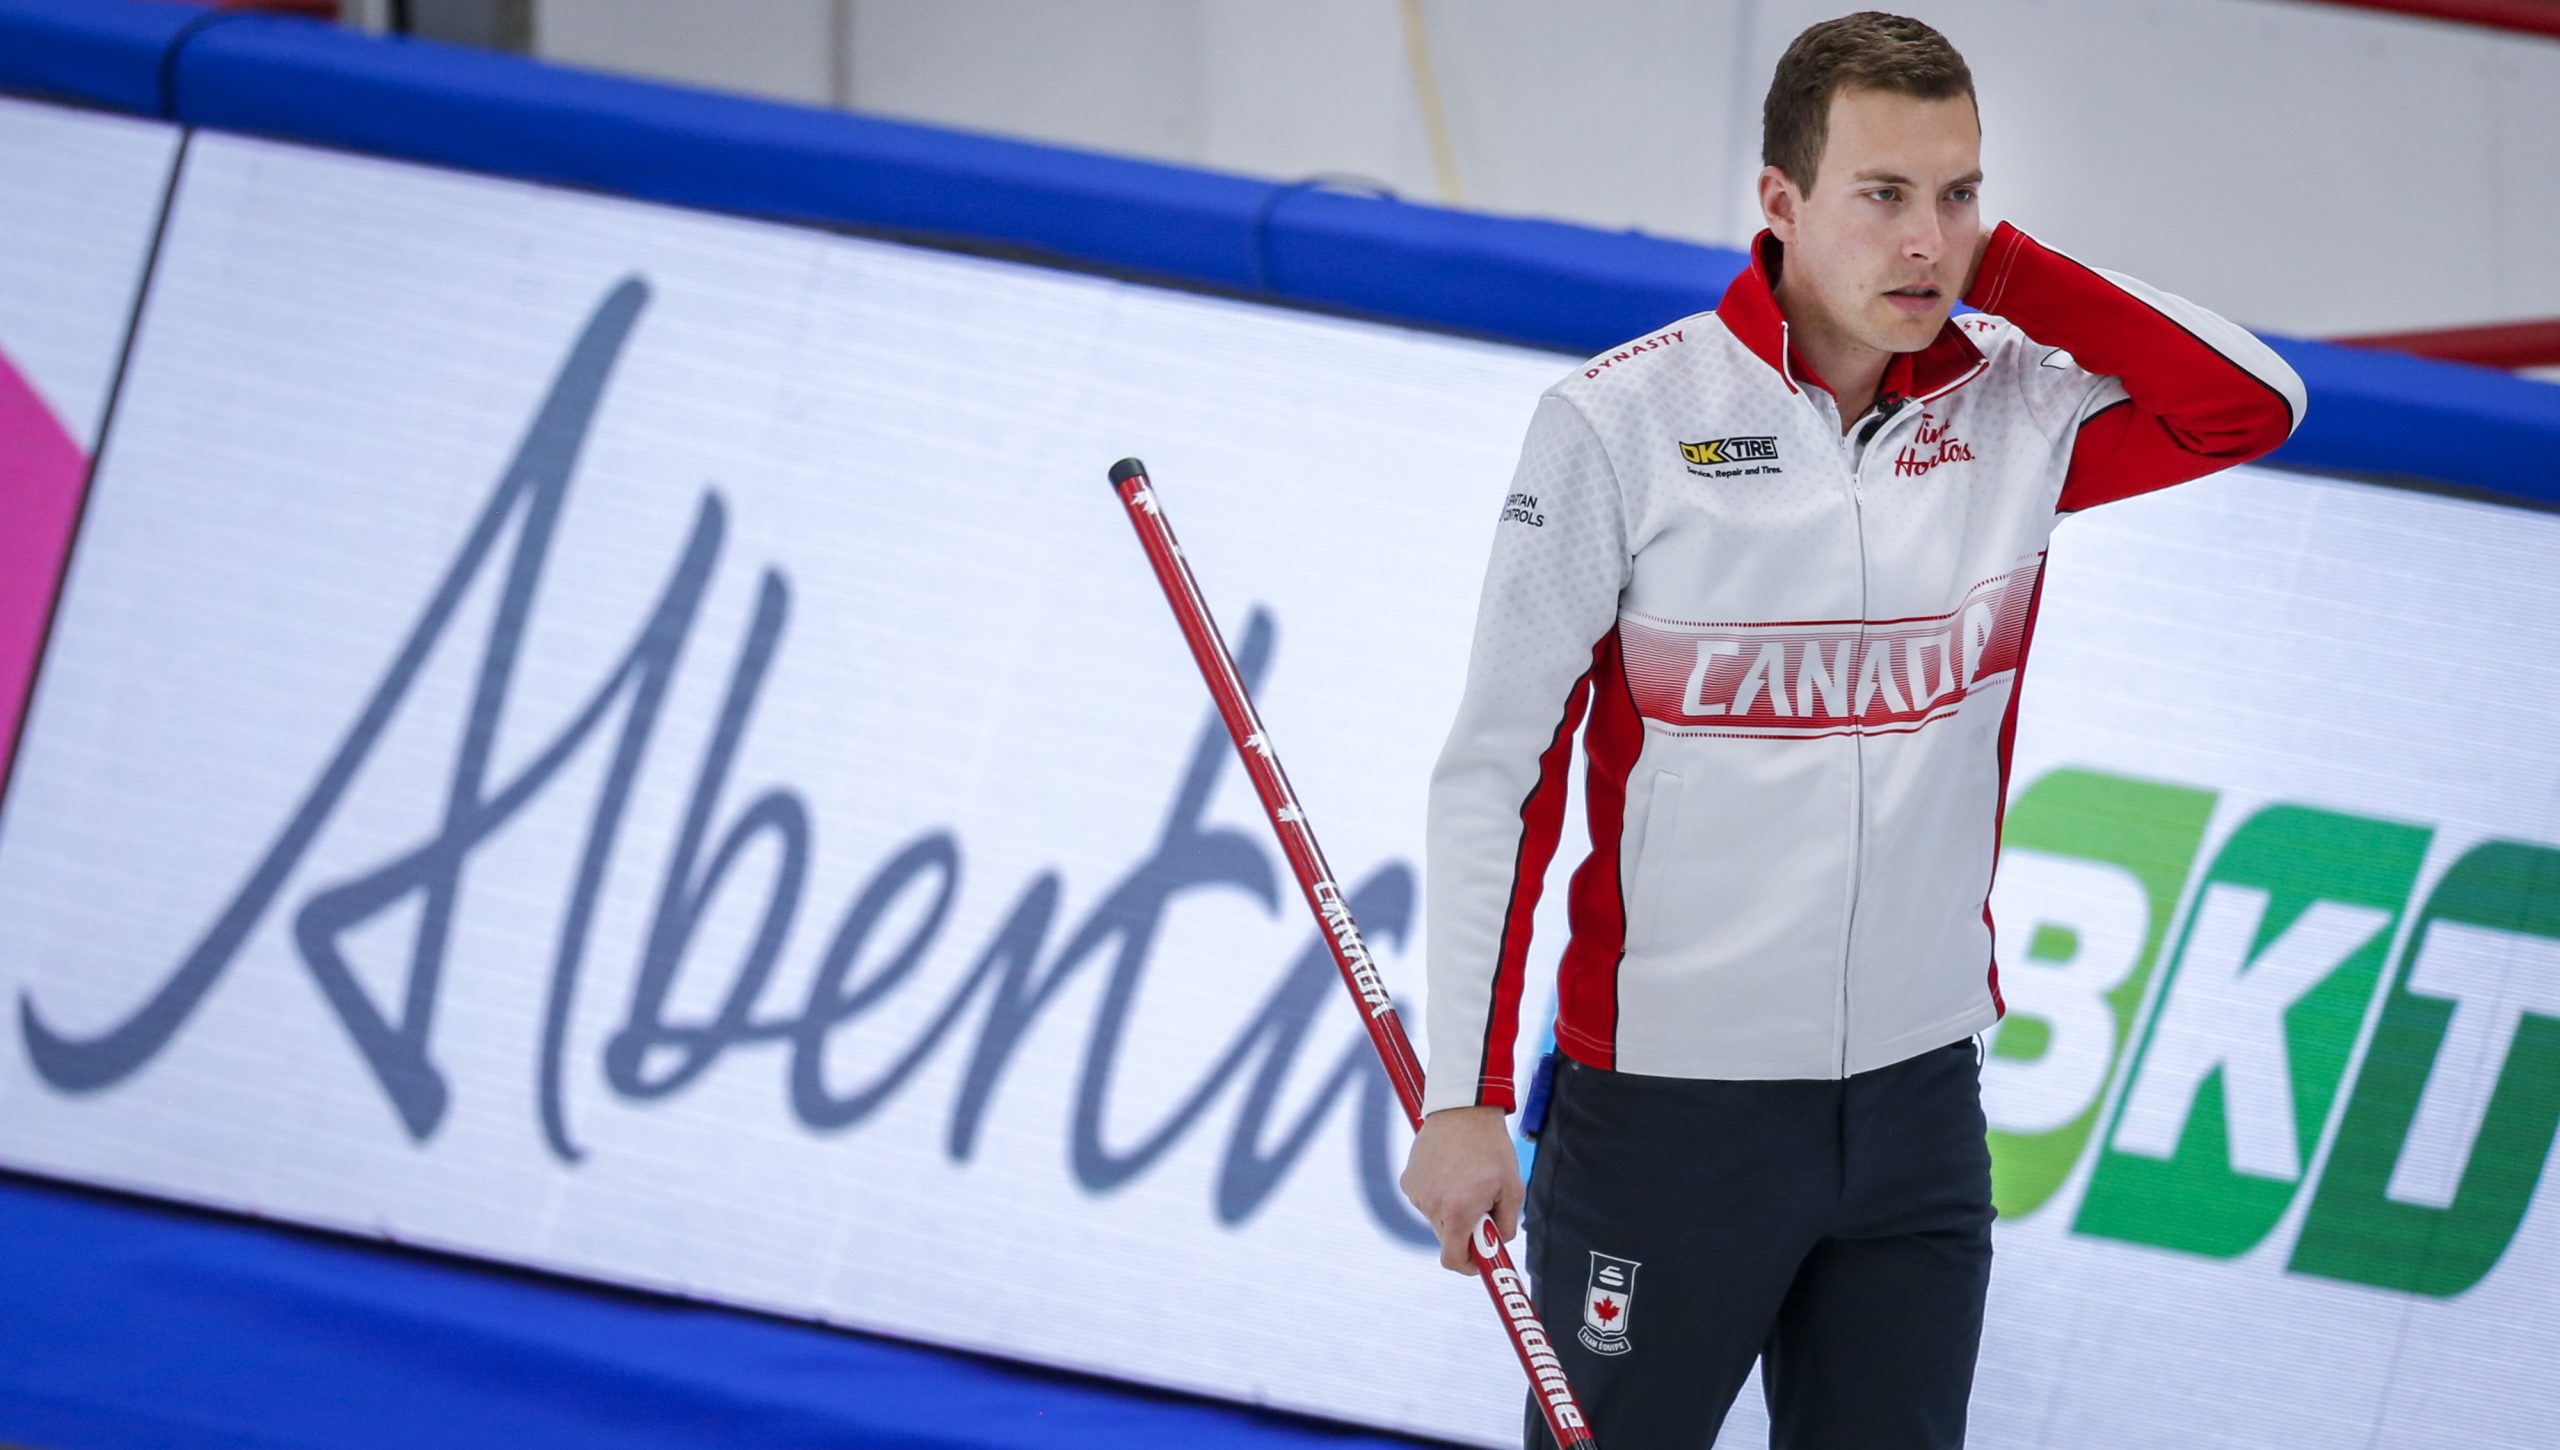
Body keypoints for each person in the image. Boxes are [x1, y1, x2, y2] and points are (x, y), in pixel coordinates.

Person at [1399, 11, 2304, 1448]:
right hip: (1668, 1115)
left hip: (1917, 1109)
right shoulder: (1619, 424)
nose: (1925, 240)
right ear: (1779, 202)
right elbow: (1496, 774)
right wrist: (1464, 1095)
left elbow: (2250, 406)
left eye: (1959, 196)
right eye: (1882, 194)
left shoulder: (2018, 411)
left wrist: (1999, 269)